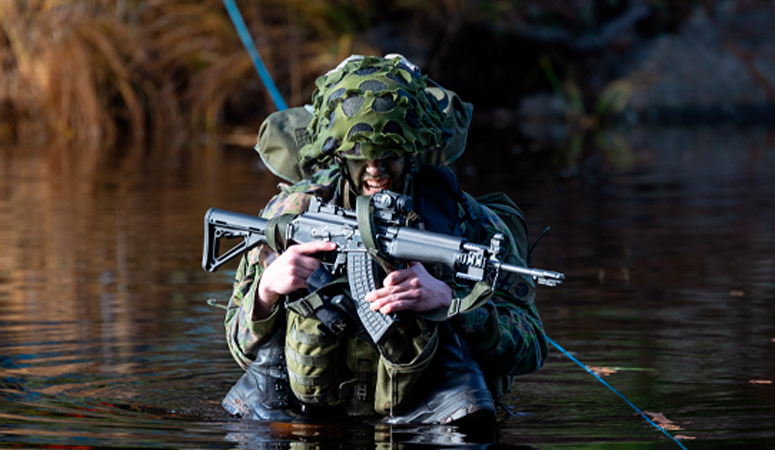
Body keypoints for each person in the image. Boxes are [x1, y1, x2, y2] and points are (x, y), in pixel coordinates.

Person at [221, 55, 548, 426]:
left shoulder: (463, 220)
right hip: (303, 409)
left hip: (432, 410)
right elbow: (239, 345)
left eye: (389, 155)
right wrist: (267, 291)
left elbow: (531, 348)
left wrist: (452, 302)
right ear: (339, 154)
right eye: (361, 156)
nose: (375, 170)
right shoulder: (293, 212)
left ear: (411, 150)